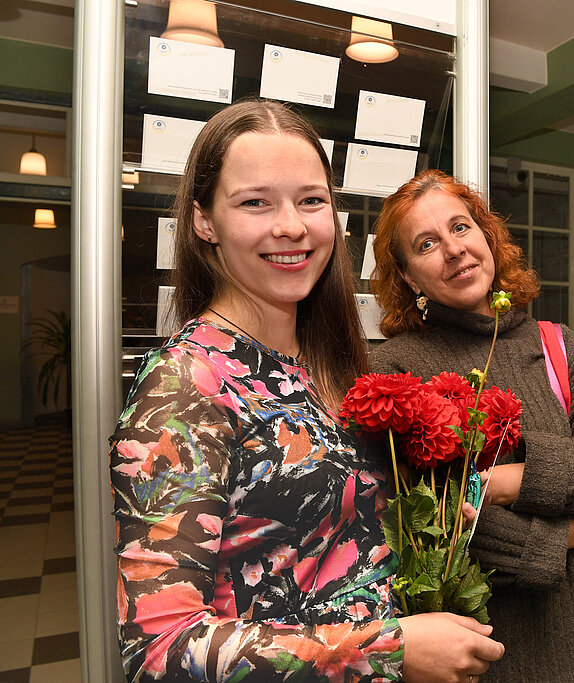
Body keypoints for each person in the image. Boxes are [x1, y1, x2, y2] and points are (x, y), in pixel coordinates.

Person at [109, 100, 504, 683]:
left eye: (311, 200)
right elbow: (158, 648)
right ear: (204, 221)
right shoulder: (186, 383)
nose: (291, 226)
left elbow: (314, 542)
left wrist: (418, 520)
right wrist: (389, 651)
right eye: (255, 202)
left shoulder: (323, 364)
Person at [368, 169, 574, 682]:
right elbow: (423, 525)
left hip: (571, 650)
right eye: (427, 244)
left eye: (461, 227)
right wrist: (568, 535)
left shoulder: (558, 345)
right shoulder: (394, 372)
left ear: (487, 235)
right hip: (460, 655)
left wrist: (509, 481)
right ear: (408, 277)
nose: (454, 249)